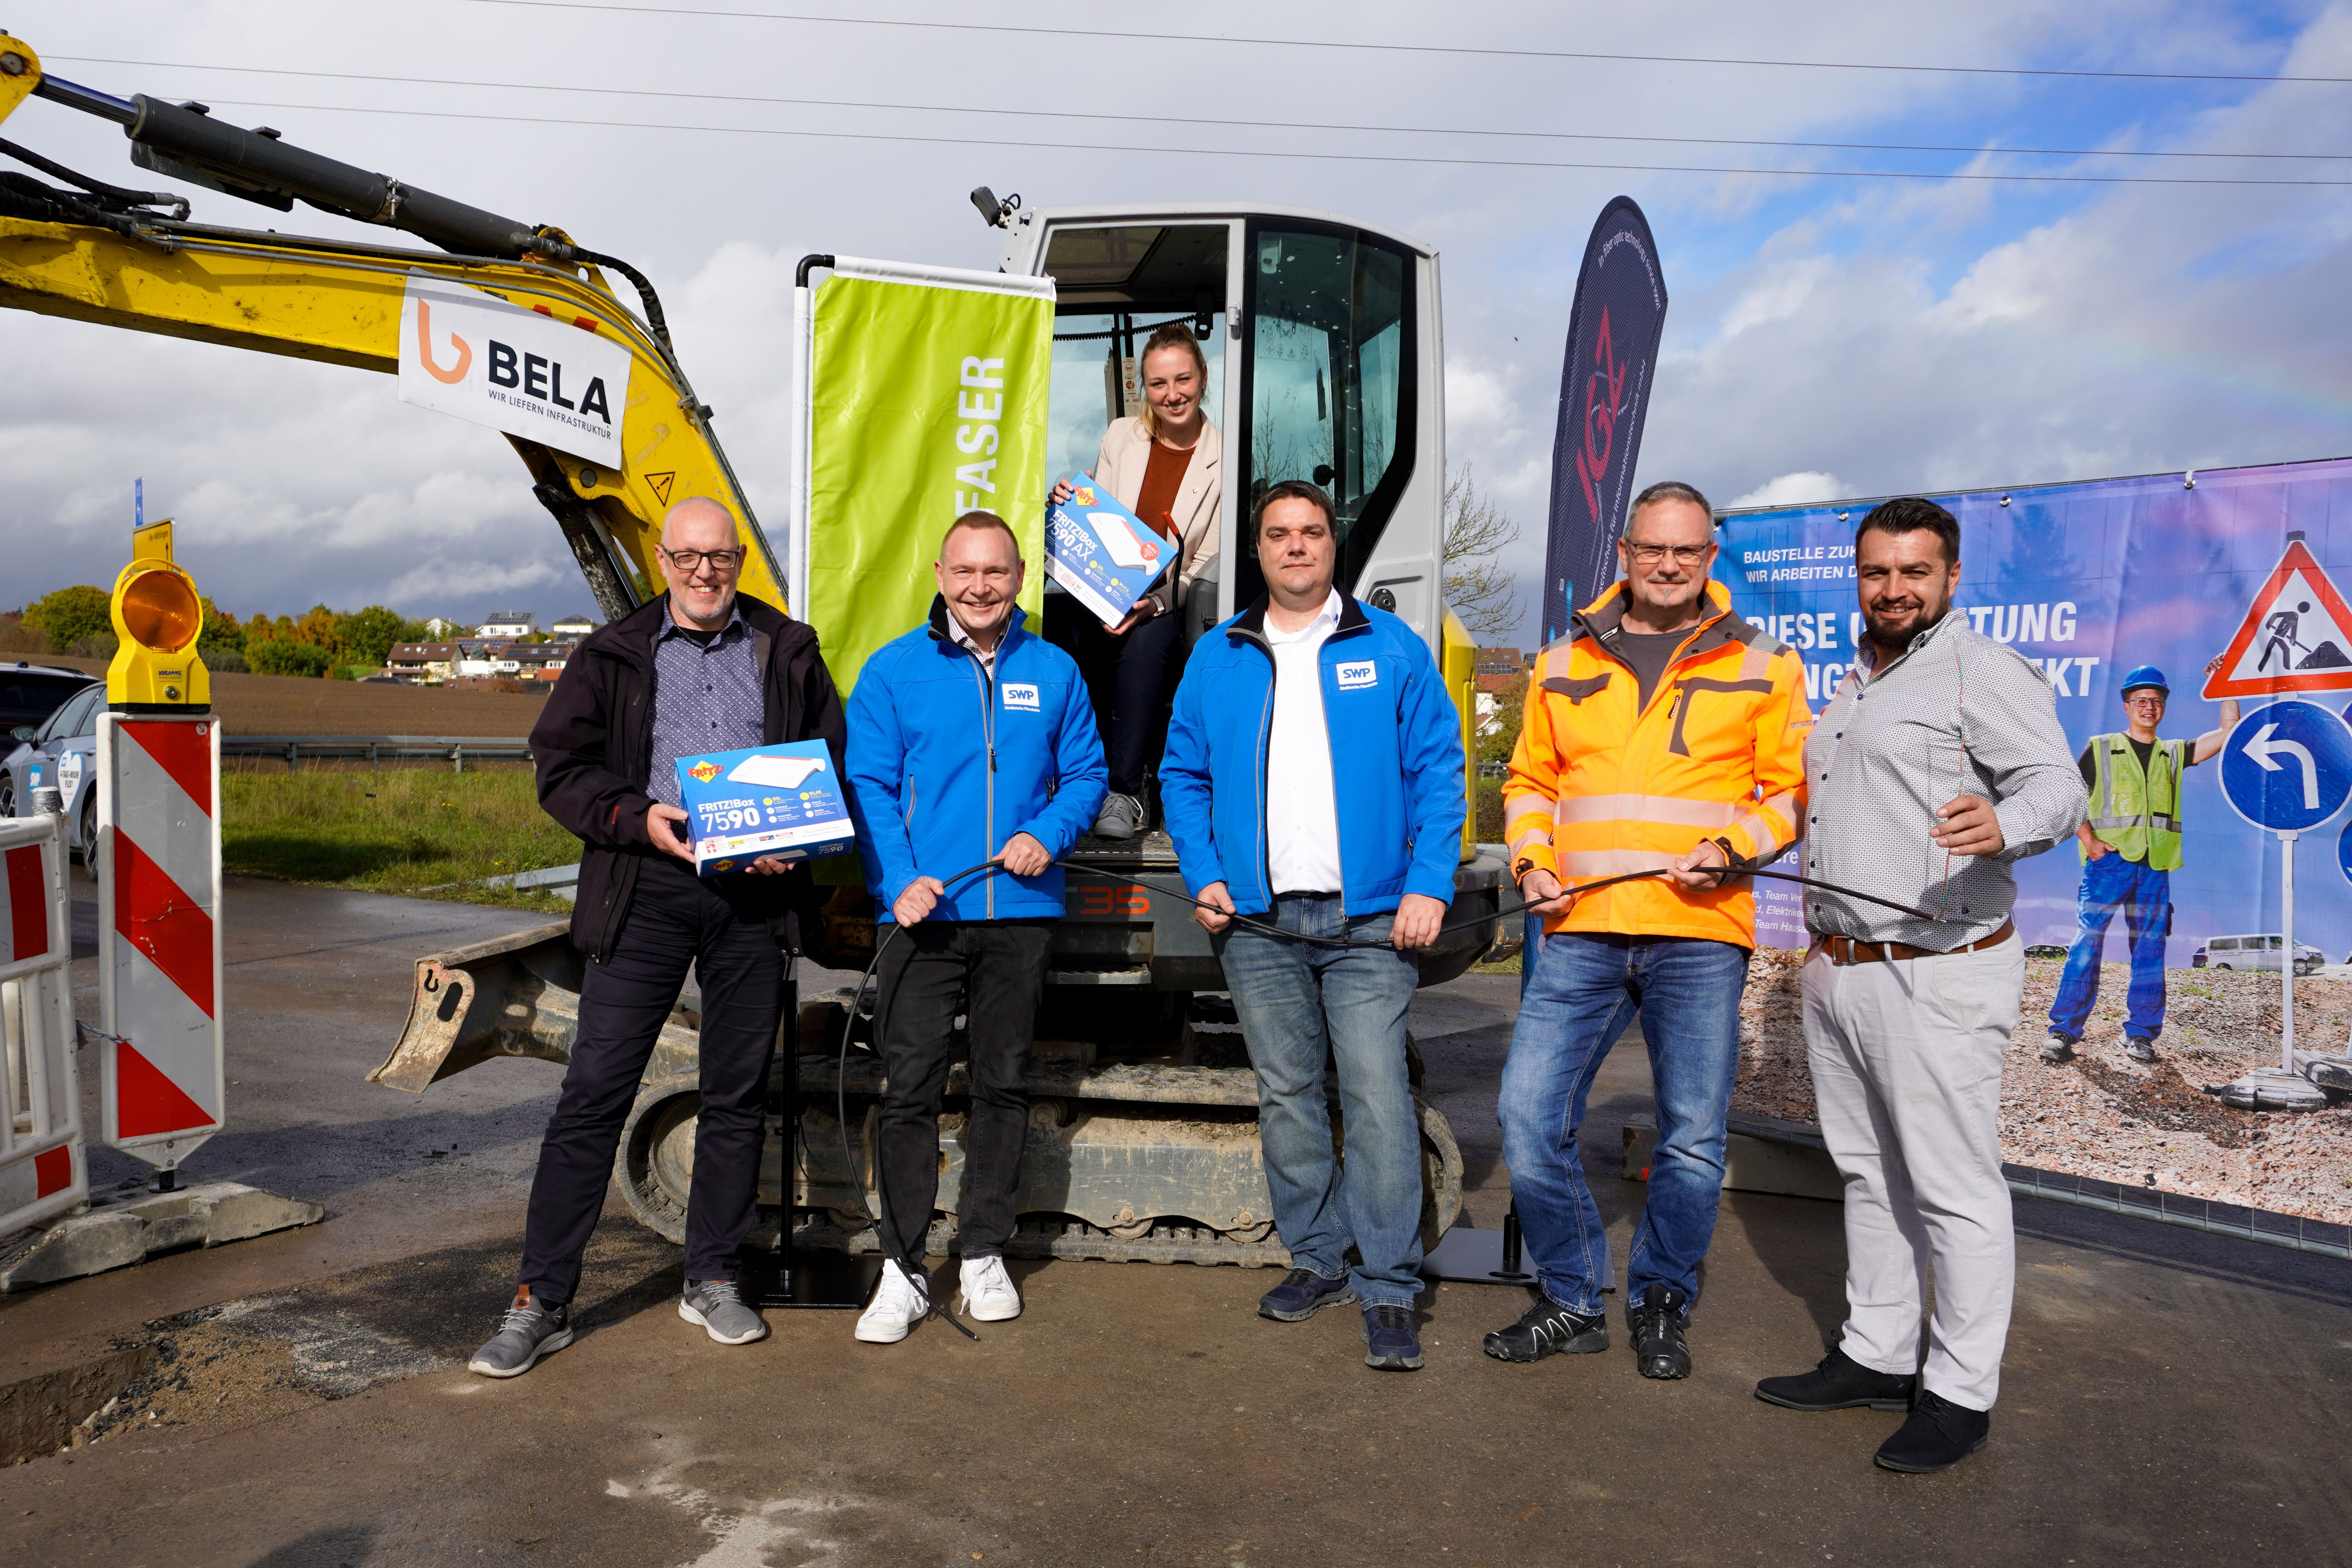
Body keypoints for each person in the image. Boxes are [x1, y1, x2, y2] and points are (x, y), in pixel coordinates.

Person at [470, 495, 846, 1377]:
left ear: (740, 559)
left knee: (736, 1095)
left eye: (720, 557)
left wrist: (793, 841)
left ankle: (712, 1276)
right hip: (646, 890)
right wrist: (639, 818)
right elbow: (561, 769)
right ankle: (541, 1300)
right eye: (687, 557)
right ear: (663, 561)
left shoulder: (787, 647)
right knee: (594, 1093)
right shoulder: (612, 652)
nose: (704, 572)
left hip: (754, 900)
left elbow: (829, 763)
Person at [1754, 497, 2084, 1474]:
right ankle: (1878, 1350)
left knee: (1953, 1189)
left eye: (1914, 572)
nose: (1894, 589)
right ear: (1857, 577)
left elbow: (2058, 785)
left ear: (1951, 577)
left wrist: (2005, 822)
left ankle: (1960, 1394)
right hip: (1844, 967)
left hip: (1937, 970)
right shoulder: (1859, 682)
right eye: (1877, 571)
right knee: (1868, 1173)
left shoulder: (1980, 668)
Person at [1486, 480, 1811, 1381]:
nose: (1669, 564)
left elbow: (1792, 792)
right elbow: (1529, 783)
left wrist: (1731, 848)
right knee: (1526, 1114)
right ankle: (1571, 1297)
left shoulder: (1765, 662)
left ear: (1710, 558)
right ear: (1625, 554)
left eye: (1687, 550)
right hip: (1579, 924)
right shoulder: (1562, 660)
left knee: (1693, 1137)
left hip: (1699, 930)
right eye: (1653, 548)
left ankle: (1662, 1297)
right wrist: (1532, 863)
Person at [1160, 479, 1465, 1373]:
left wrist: (1429, 883)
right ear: (1257, 550)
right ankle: (1319, 1259)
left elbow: (1440, 770)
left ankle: (1389, 1284)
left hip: (1370, 918)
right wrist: (1206, 874)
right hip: (1256, 922)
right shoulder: (1219, 655)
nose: (1296, 546)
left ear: (1335, 545)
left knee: (1375, 1095)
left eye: (1312, 532)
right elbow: (1183, 774)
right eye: (1279, 534)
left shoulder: (1391, 646)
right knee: (1288, 1095)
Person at [844, 511, 1107, 1343]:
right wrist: (897, 881)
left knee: (1003, 1085)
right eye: (965, 571)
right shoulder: (893, 671)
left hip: (1019, 914)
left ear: (1020, 577)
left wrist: (1047, 833)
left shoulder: (1055, 669)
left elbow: (1087, 774)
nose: (980, 586)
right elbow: (869, 785)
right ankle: (902, 1267)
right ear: (940, 574)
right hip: (922, 916)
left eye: (996, 571)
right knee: (910, 1090)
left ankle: (984, 1251)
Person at [1045, 321, 1223, 840]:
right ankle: (1058, 773)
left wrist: (1155, 605)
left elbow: (1203, 563)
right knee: (1050, 623)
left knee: (1145, 643)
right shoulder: (1121, 437)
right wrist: (1065, 502)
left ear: (1202, 377)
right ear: (1144, 387)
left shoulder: (1223, 459)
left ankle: (1126, 790)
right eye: (1159, 384)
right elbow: (1098, 522)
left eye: (1183, 380)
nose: (1173, 395)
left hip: (1169, 602)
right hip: (1107, 590)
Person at [2045, 657, 2236, 1064]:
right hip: (2108, 865)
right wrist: (2090, 841)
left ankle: (2140, 1034)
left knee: (2150, 949)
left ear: (2163, 707)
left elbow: (2228, 734)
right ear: (2127, 706)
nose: (2149, 707)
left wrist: (2227, 683)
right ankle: (2063, 1030)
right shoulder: (2102, 748)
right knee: (2087, 943)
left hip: (2155, 867)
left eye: (2156, 700)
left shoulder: (2173, 753)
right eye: (2141, 700)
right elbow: (2070, 797)